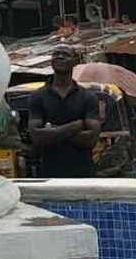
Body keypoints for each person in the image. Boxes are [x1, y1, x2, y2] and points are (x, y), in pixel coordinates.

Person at [26, 45, 103, 178]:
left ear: (75, 61)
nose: (60, 56)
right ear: (51, 61)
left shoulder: (88, 97)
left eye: (65, 54)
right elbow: (37, 137)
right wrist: (76, 126)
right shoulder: (37, 97)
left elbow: (90, 140)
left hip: (84, 175)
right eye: (56, 54)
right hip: (49, 177)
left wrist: (53, 130)